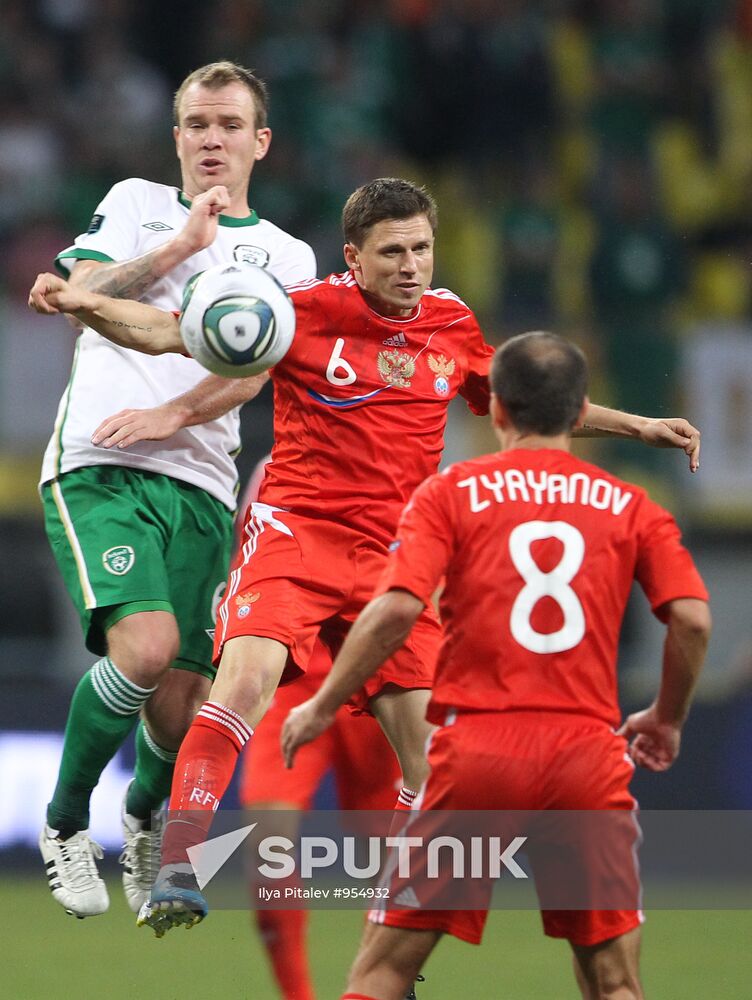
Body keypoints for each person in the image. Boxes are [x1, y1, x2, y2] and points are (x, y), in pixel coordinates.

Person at [29, 177, 702, 943]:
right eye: (393, 252)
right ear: (354, 256)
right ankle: (181, 863)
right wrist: (84, 301)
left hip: (395, 559)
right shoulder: (302, 313)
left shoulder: (451, 324)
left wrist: (640, 425)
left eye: (422, 248)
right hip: (297, 535)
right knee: (244, 680)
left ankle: (399, 932)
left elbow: (533, 403)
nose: (412, 265)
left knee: (429, 755)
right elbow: (164, 331)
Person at [281, 331, 711, 1000]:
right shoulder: (632, 505)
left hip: (475, 752)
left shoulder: (449, 494)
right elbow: (691, 619)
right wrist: (667, 716)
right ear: (577, 414)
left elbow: (396, 609)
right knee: (614, 981)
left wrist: (324, 703)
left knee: (383, 971)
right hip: (586, 756)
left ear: (498, 410)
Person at [36, 60, 316, 920]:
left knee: (183, 700)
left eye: (230, 124)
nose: (212, 139)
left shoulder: (289, 257)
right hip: (100, 462)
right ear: (177, 137)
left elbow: (258, 375)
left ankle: (147, 816)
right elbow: (76, 293)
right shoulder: (133, 204)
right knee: (148, 647)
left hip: (200, 481)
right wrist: (181, 249)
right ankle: (63, 823)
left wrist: (176, 416)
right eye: (197, 124)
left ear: (259, 141)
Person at [238, 457, 401, 1000]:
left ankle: (375, 987)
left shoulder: (400, 457)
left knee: (392, 859)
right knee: (268, 848)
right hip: (293, 680)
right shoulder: (270, 471)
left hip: (376, 673)